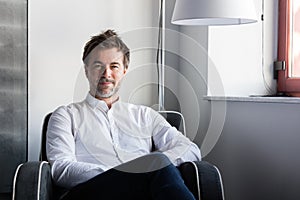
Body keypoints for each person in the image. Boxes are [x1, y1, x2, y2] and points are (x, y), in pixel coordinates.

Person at [46, 29, 201, 200]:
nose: (106, 74)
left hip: (142, 191)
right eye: (98, 66)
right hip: (89, 193)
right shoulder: (66, 115)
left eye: (114, 66)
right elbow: (61, 169)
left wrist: (150, 168)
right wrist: (126, 172)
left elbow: (190, 149)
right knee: (156, 162)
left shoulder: (145, 116)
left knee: (158, 163)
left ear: (125, 70)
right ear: (86, 70)